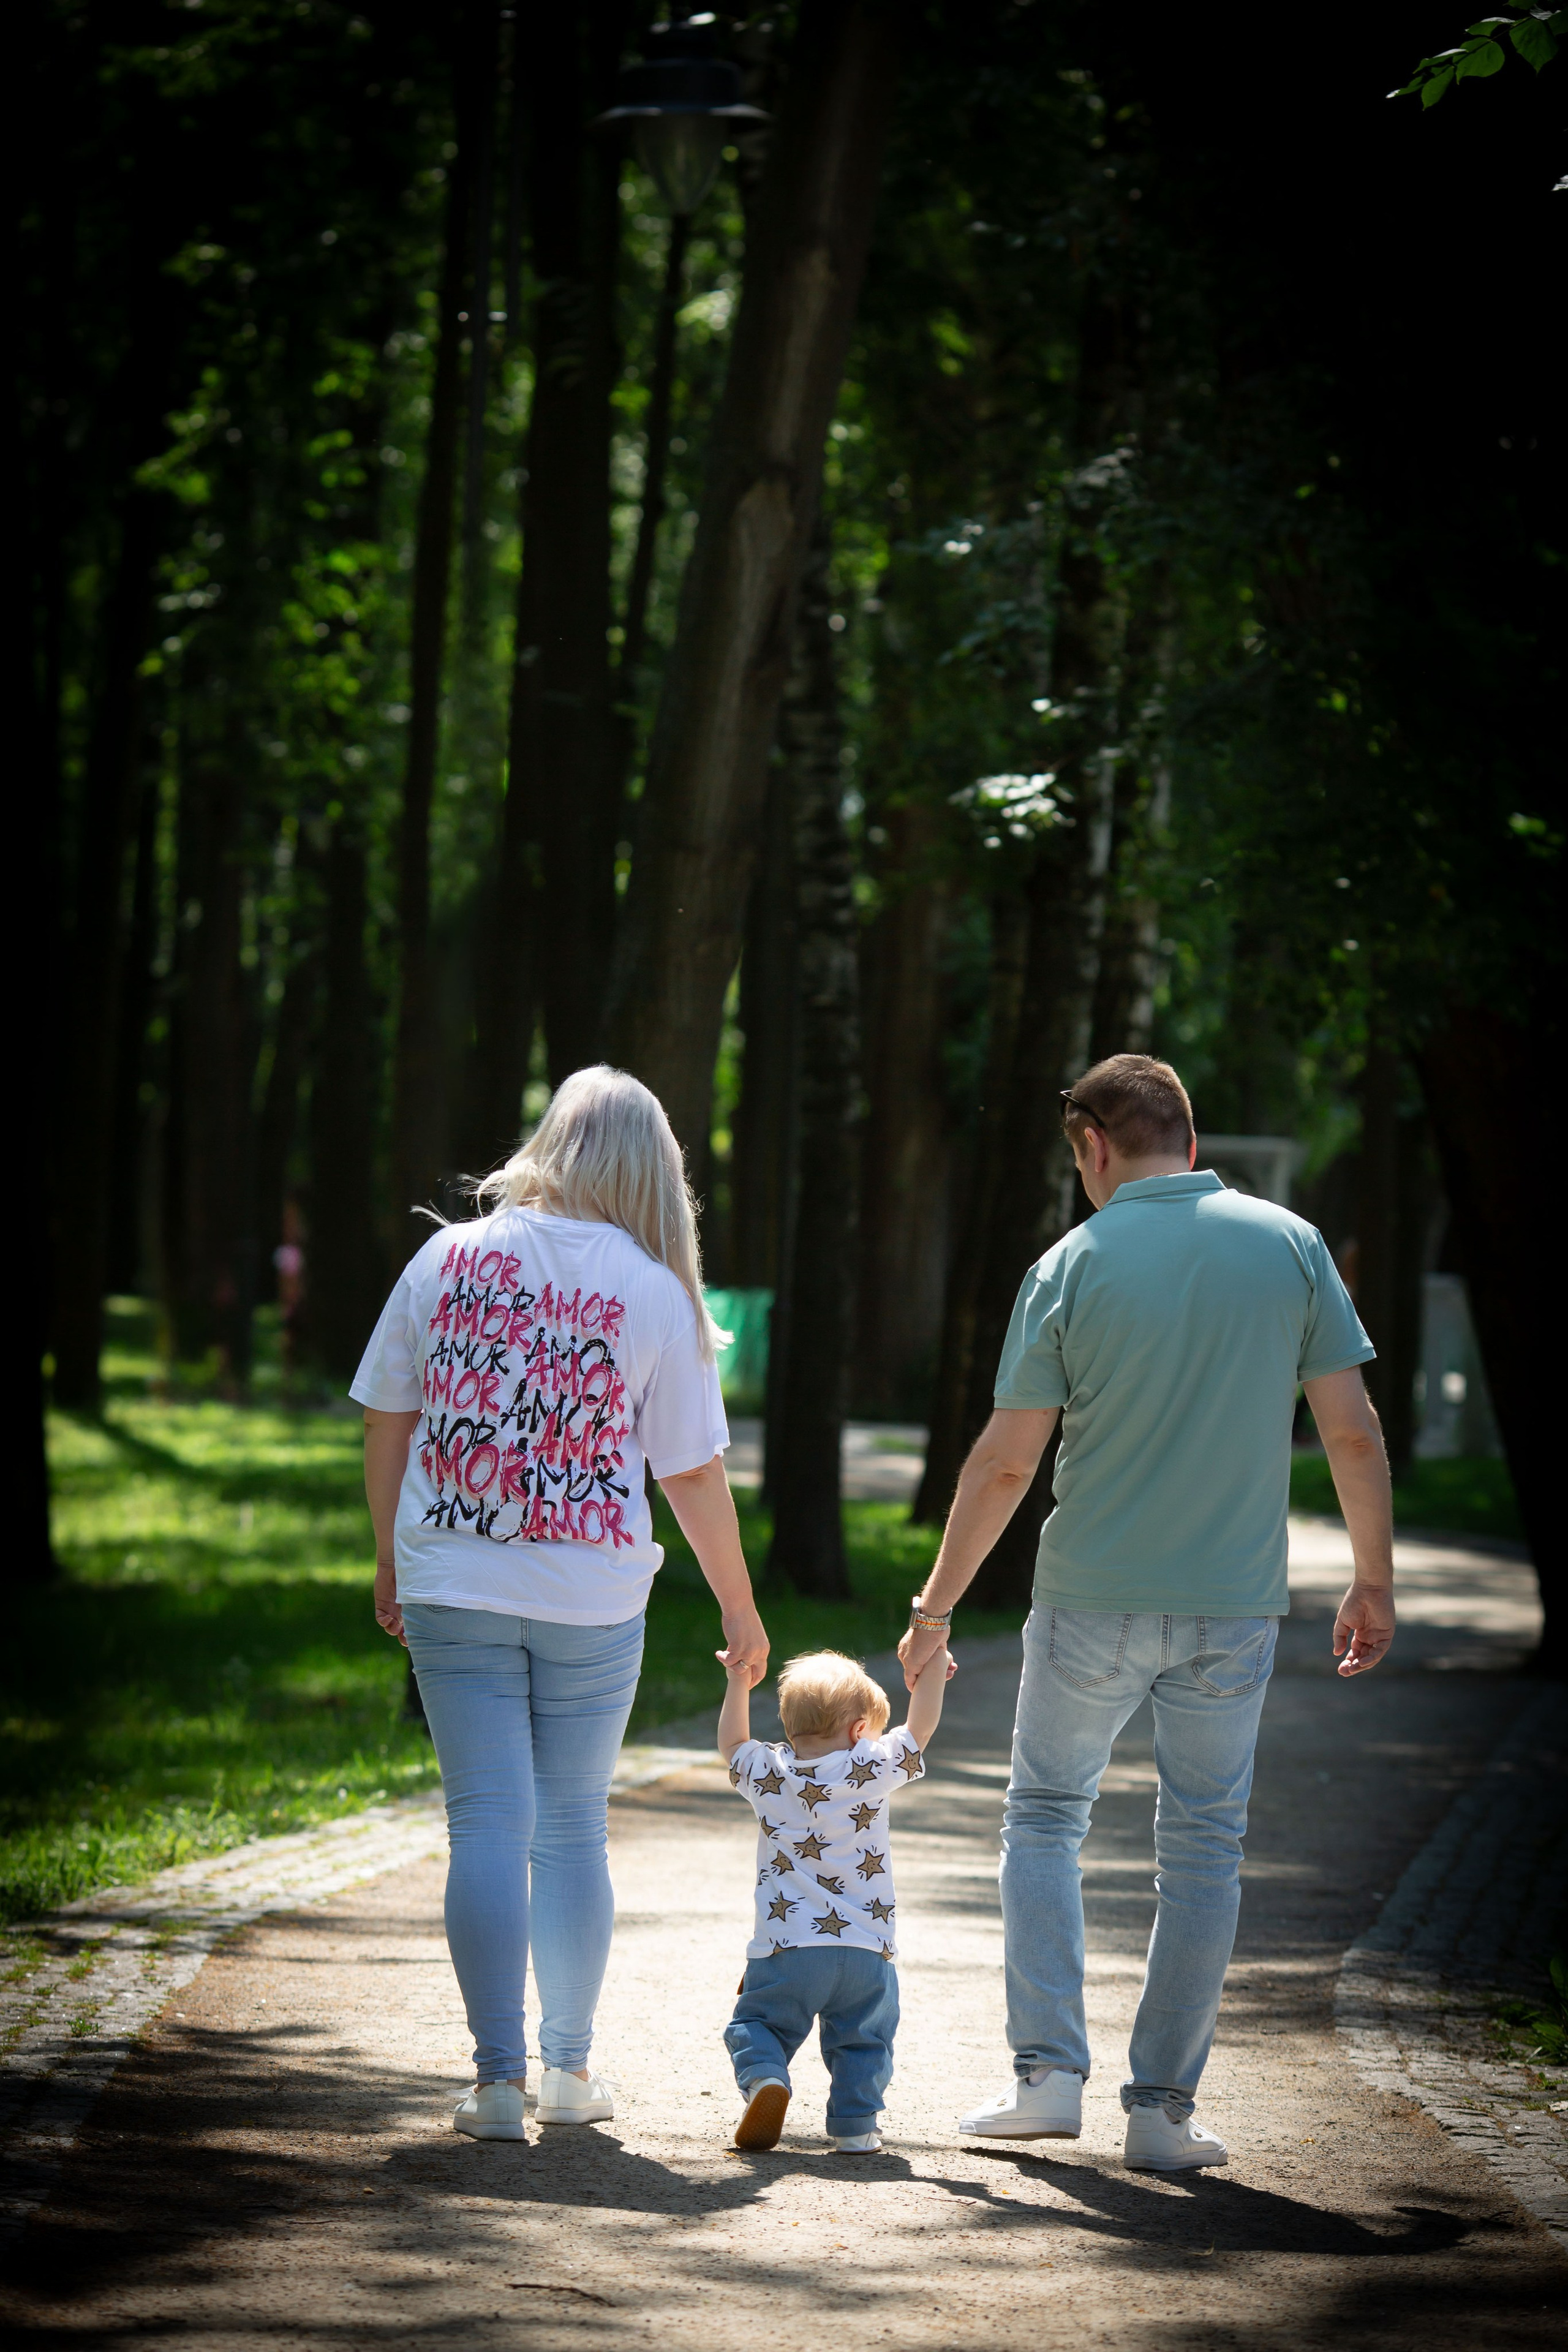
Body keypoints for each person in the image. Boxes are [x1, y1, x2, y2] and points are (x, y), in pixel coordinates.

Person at [897, 1053, 1394, 2173]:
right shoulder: (1293, 1245)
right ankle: (1162, 2113)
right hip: (1234, 1609)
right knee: (1205, 1848)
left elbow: (1006, 1464)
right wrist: (1373, 1580)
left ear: (1093, 1147)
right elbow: (1353, 1432)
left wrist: (935, 1609)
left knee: (1044, 1819)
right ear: (1193, 1141)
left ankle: (1047, 2080)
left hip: (1090, 1602)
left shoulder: (1069, 1264)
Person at [353, 1066, 769, 2144]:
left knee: (487, 1824)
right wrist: (738, 1606)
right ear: (653, 1171)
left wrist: (390, 1557)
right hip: (593, 1595)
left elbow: (389, 1418)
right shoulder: (654, 1291)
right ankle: (569, 2072)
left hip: (454, 1580)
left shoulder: (445, 1257)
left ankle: (496, 2086)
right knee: (574, 1823)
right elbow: (691, 1472)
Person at [719, 1646, 951, 2155]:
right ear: (859, 1730)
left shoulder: (770, 1772)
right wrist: (933, 1666)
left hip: (788, 1949)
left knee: (758, 2023)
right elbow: (921, 1728)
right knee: (863, 2040)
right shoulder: (870, 1767)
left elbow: (732, 1743)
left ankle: (766, 2078)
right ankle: (856, 2126)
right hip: (868, 1951)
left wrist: (738, 1682)